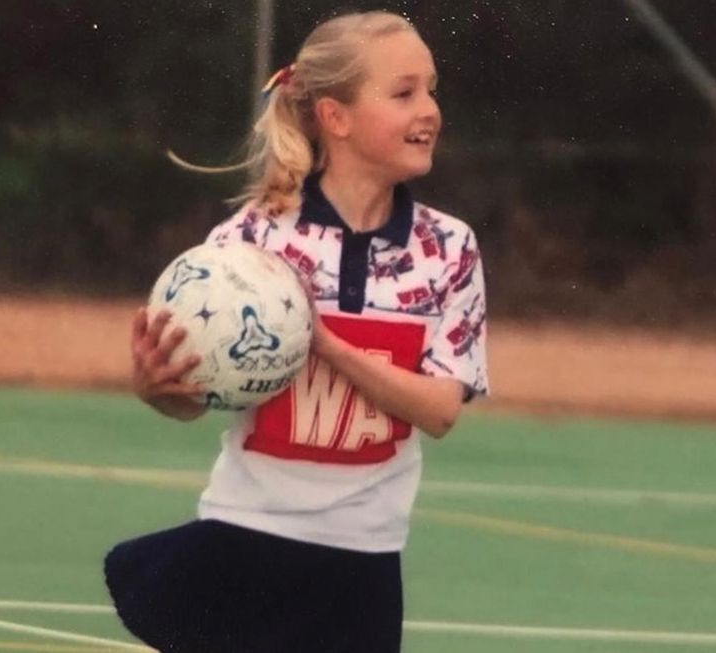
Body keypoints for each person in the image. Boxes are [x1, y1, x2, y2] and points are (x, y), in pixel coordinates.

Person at [104, 10, 488, 653]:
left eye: (432, 89)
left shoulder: (447, 249)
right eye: (404, 93)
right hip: (243, 542)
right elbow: (196, 399)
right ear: (336, 118)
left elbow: (441, 409)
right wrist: (158, 388)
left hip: (363, 562)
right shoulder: (250, 245)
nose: (429, 110)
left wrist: (330, 347)